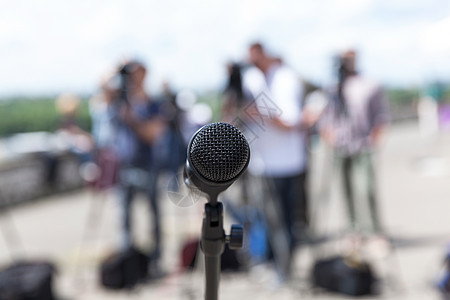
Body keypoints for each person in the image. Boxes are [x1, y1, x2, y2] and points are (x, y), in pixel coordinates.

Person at [242, 42, 309, 281]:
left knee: (287, 221)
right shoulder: (250, 79)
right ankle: (269, 263)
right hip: (261, 164)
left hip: (289, 163)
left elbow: (290, 122)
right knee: (265, 220)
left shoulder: (286, 79)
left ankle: (285, 269)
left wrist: (260, 113)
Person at [320, 49, 389, 233]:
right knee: (346, 191)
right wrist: (328, 135)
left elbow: (380, 116)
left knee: (366, 189)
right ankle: (353, 230)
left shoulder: (369, 85)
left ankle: (374, 230)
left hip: (362, 146)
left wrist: (374, 139)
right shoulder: (333, 87)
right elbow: (326, 117)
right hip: (340, 147)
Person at [111, 60, 166, 277]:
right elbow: (101, 87)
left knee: (154, 216)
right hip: (123, 166)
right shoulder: (119, 101)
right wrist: (118, 69)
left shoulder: (153, 104)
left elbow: (153, 134)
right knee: (124, 219)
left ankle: (155, 262)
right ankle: (128, 264)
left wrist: (132, 119)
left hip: (147, 166)